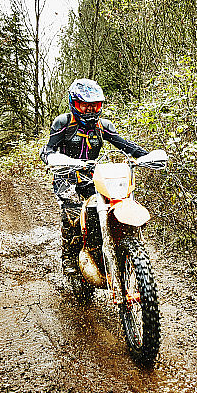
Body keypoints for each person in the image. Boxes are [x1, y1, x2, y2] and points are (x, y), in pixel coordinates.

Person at [40, 78, 148, 276]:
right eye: (85, 105)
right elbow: (47, 150)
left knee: (109, 205)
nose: (90, 109)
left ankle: (115, 248)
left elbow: (125, 145)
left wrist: (145, 156)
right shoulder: (64, 122)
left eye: (95, 105)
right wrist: (57, 159)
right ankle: (69, 258)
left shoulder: (102, 125)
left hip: (92, 175)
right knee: (73, 214)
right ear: (75, 104)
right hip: (66, 176)